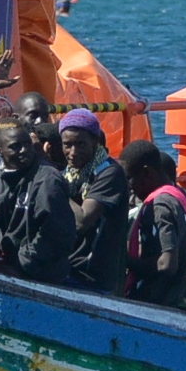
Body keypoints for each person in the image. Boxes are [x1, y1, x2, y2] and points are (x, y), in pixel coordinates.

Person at [0, 119, 75, 286]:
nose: (24, 151)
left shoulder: (47, 179)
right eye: (15, 146)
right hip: (4, 270)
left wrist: (22, 265)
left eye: (27, 144)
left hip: (42, 277)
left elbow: (56, 235)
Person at [123, 141, 186, 308]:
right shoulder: (180, 197)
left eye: (129, 178)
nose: (129, 186)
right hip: (175, 296)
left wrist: (124, 260)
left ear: (146, 173)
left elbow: (166, 264)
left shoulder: (159, 206)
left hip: (154, 302)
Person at [58, 109, 129, 294]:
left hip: (95, 278)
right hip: (68, 269)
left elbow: (82, 221)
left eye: (80, 144)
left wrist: (54, 184)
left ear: (95, 141)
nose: (73, 152)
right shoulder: (68, 174)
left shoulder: (110, 173)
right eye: (67, 145)